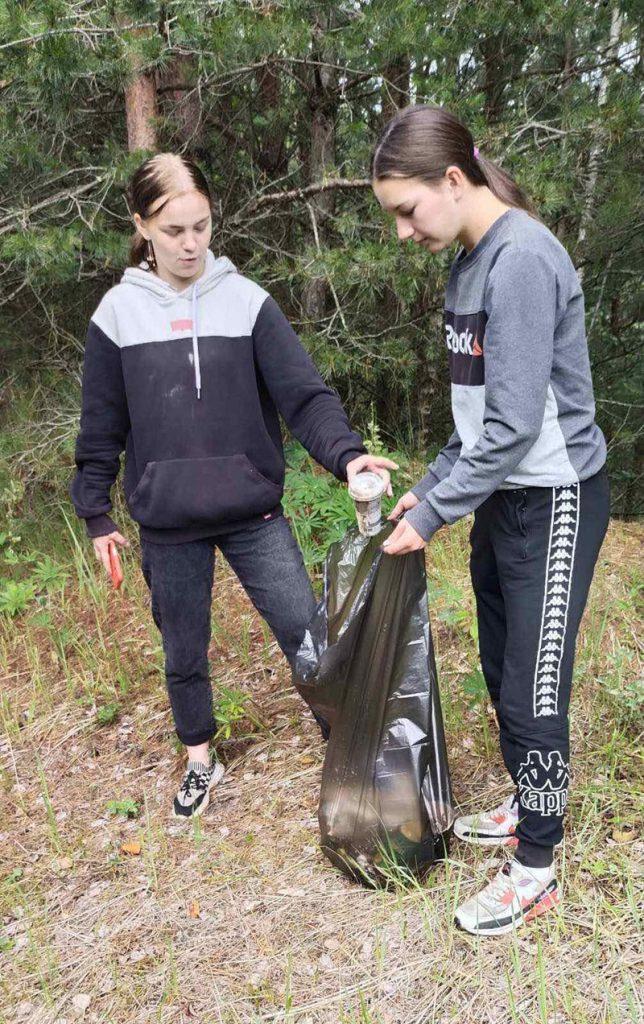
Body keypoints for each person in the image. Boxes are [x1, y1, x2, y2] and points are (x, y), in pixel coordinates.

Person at [70, 153, 396, 820]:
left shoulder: (247, 303)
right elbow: (101, 426)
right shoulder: (117, 316)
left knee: (305, 629)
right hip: (168, 522)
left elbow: (305, 398)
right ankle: (200, 759)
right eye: (173, 231)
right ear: (141, 225)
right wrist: (97, 513)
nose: (191, 244)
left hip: (253, 512)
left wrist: (349, 458)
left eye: (202, 226)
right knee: (183, 649)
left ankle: (347, 740)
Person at [371, 106, 609, 936]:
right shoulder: (469, 264)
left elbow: (512, 428)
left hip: (555, 498)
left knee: (535, 684)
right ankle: (523, 804)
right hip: (503, 497)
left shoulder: (523, 260)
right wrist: (430, 483)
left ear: (452, 180)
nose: (404, 232)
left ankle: (538, 865)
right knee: (505, 666)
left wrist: (435, 511)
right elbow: (476, 422)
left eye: (407, 210)